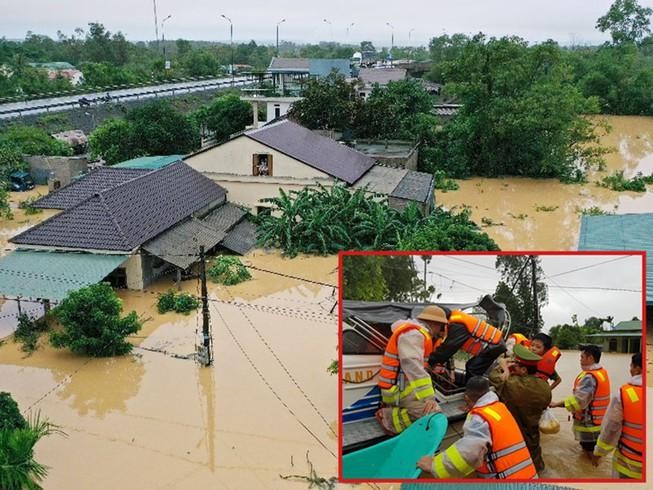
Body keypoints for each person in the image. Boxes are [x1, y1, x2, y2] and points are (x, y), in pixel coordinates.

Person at [417, 376, 538, 479]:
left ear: (466, 398)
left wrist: (433, 465)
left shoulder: (479, 418)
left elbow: (468, 454)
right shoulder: (500, 408)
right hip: (529, 477)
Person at [375, 305, 442, 435]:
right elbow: (412, 364)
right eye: (440, 326)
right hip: (396, 391)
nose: (440, 330)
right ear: (434, 323)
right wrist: (429, 397)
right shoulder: (413, 334)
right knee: (434, 414)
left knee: (431, 409)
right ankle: (388, 417)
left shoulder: (413, 333)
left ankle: (394, 415)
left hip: (401, 387)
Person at [488, 344, 552, 473]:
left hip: (515, 436)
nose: (513, 366)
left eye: (516, 365)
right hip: (533, 435)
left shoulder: (512, 384)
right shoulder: (545, 386)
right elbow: (545, 403)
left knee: (516, 468)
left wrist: (504, 367)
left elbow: (493, 377)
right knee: (535, 466)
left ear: (523, 370)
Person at [550, 344, 611, 455]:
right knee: (593, 453)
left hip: (589, 425)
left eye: (582, 357)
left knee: (588, 454)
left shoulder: (589, 377)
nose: (580, 360)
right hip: (598, 422)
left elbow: (578, 402)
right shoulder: (601, 372)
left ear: (590, 358)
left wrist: (555, 404)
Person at [591, 353, 643, 479]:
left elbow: (611, 428)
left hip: (630, 464)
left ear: (637, 368)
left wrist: (598, 453)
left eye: (631, 366)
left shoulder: (624, 394)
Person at [428, 308, 506, 381]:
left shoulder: (458, 324)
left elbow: (449, 348)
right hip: (495, 345)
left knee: (473, 368)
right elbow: (448, 348)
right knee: (471, 366)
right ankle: (470, 388)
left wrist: (429, 361)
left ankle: (472, 391)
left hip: (495, 345)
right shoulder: (456, 322)